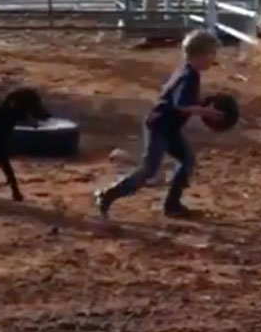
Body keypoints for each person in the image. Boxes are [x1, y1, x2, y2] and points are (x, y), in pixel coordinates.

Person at [94, 29, 224, 219]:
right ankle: (107, 195)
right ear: (200, 55)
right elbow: (181, 105)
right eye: (211, 54)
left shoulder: (188, 71)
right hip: (160, 127)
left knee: (186, 160)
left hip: (169, 127)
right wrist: (206, 111)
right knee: (148, 170)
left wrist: (203, 103)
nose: (213, 59)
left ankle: (172, 204)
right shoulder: (189, 77)